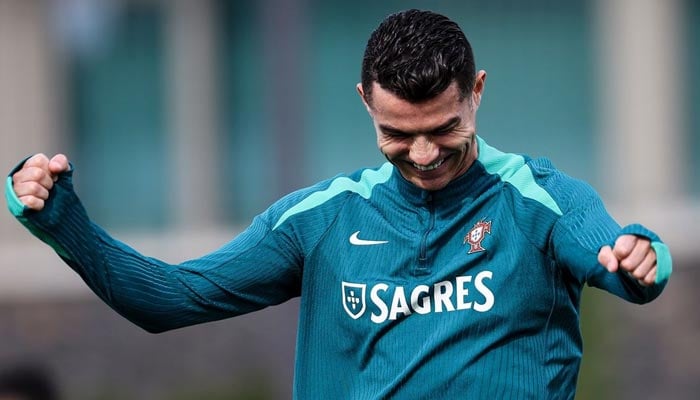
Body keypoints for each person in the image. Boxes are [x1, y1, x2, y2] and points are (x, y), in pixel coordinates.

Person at [5, 9, 671, 399]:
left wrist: (644, 259)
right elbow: (170, 299)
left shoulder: (539, 198)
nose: (423, 154)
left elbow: (619, 256)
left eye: (444, 128)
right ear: (363, 102)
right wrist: (63, 221)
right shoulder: (322, 219)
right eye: (397, 134)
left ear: (478, 92)